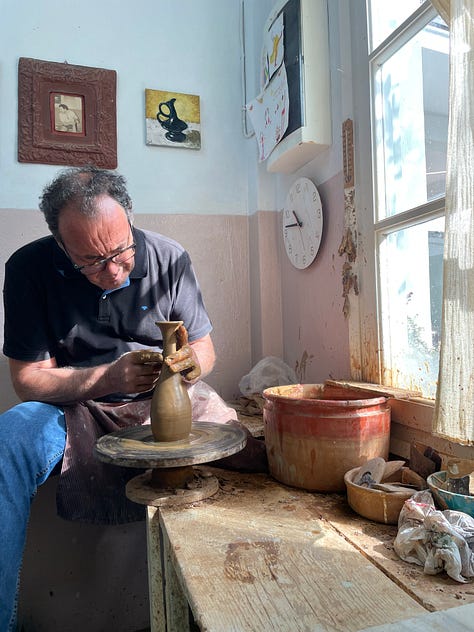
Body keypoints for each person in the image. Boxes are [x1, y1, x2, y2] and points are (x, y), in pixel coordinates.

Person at [0, 166, 226, 630]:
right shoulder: (28, 268)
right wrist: (107, 377)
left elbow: (205, 347)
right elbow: (28, 380)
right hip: (73, 407)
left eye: (121, 251)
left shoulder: (168, 257)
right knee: (8, 440)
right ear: (61, 245)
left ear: (130, 218)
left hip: (159, 400)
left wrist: (192, 365)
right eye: (91, 262)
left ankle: (221, 613)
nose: (114, 270)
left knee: (242, 444)